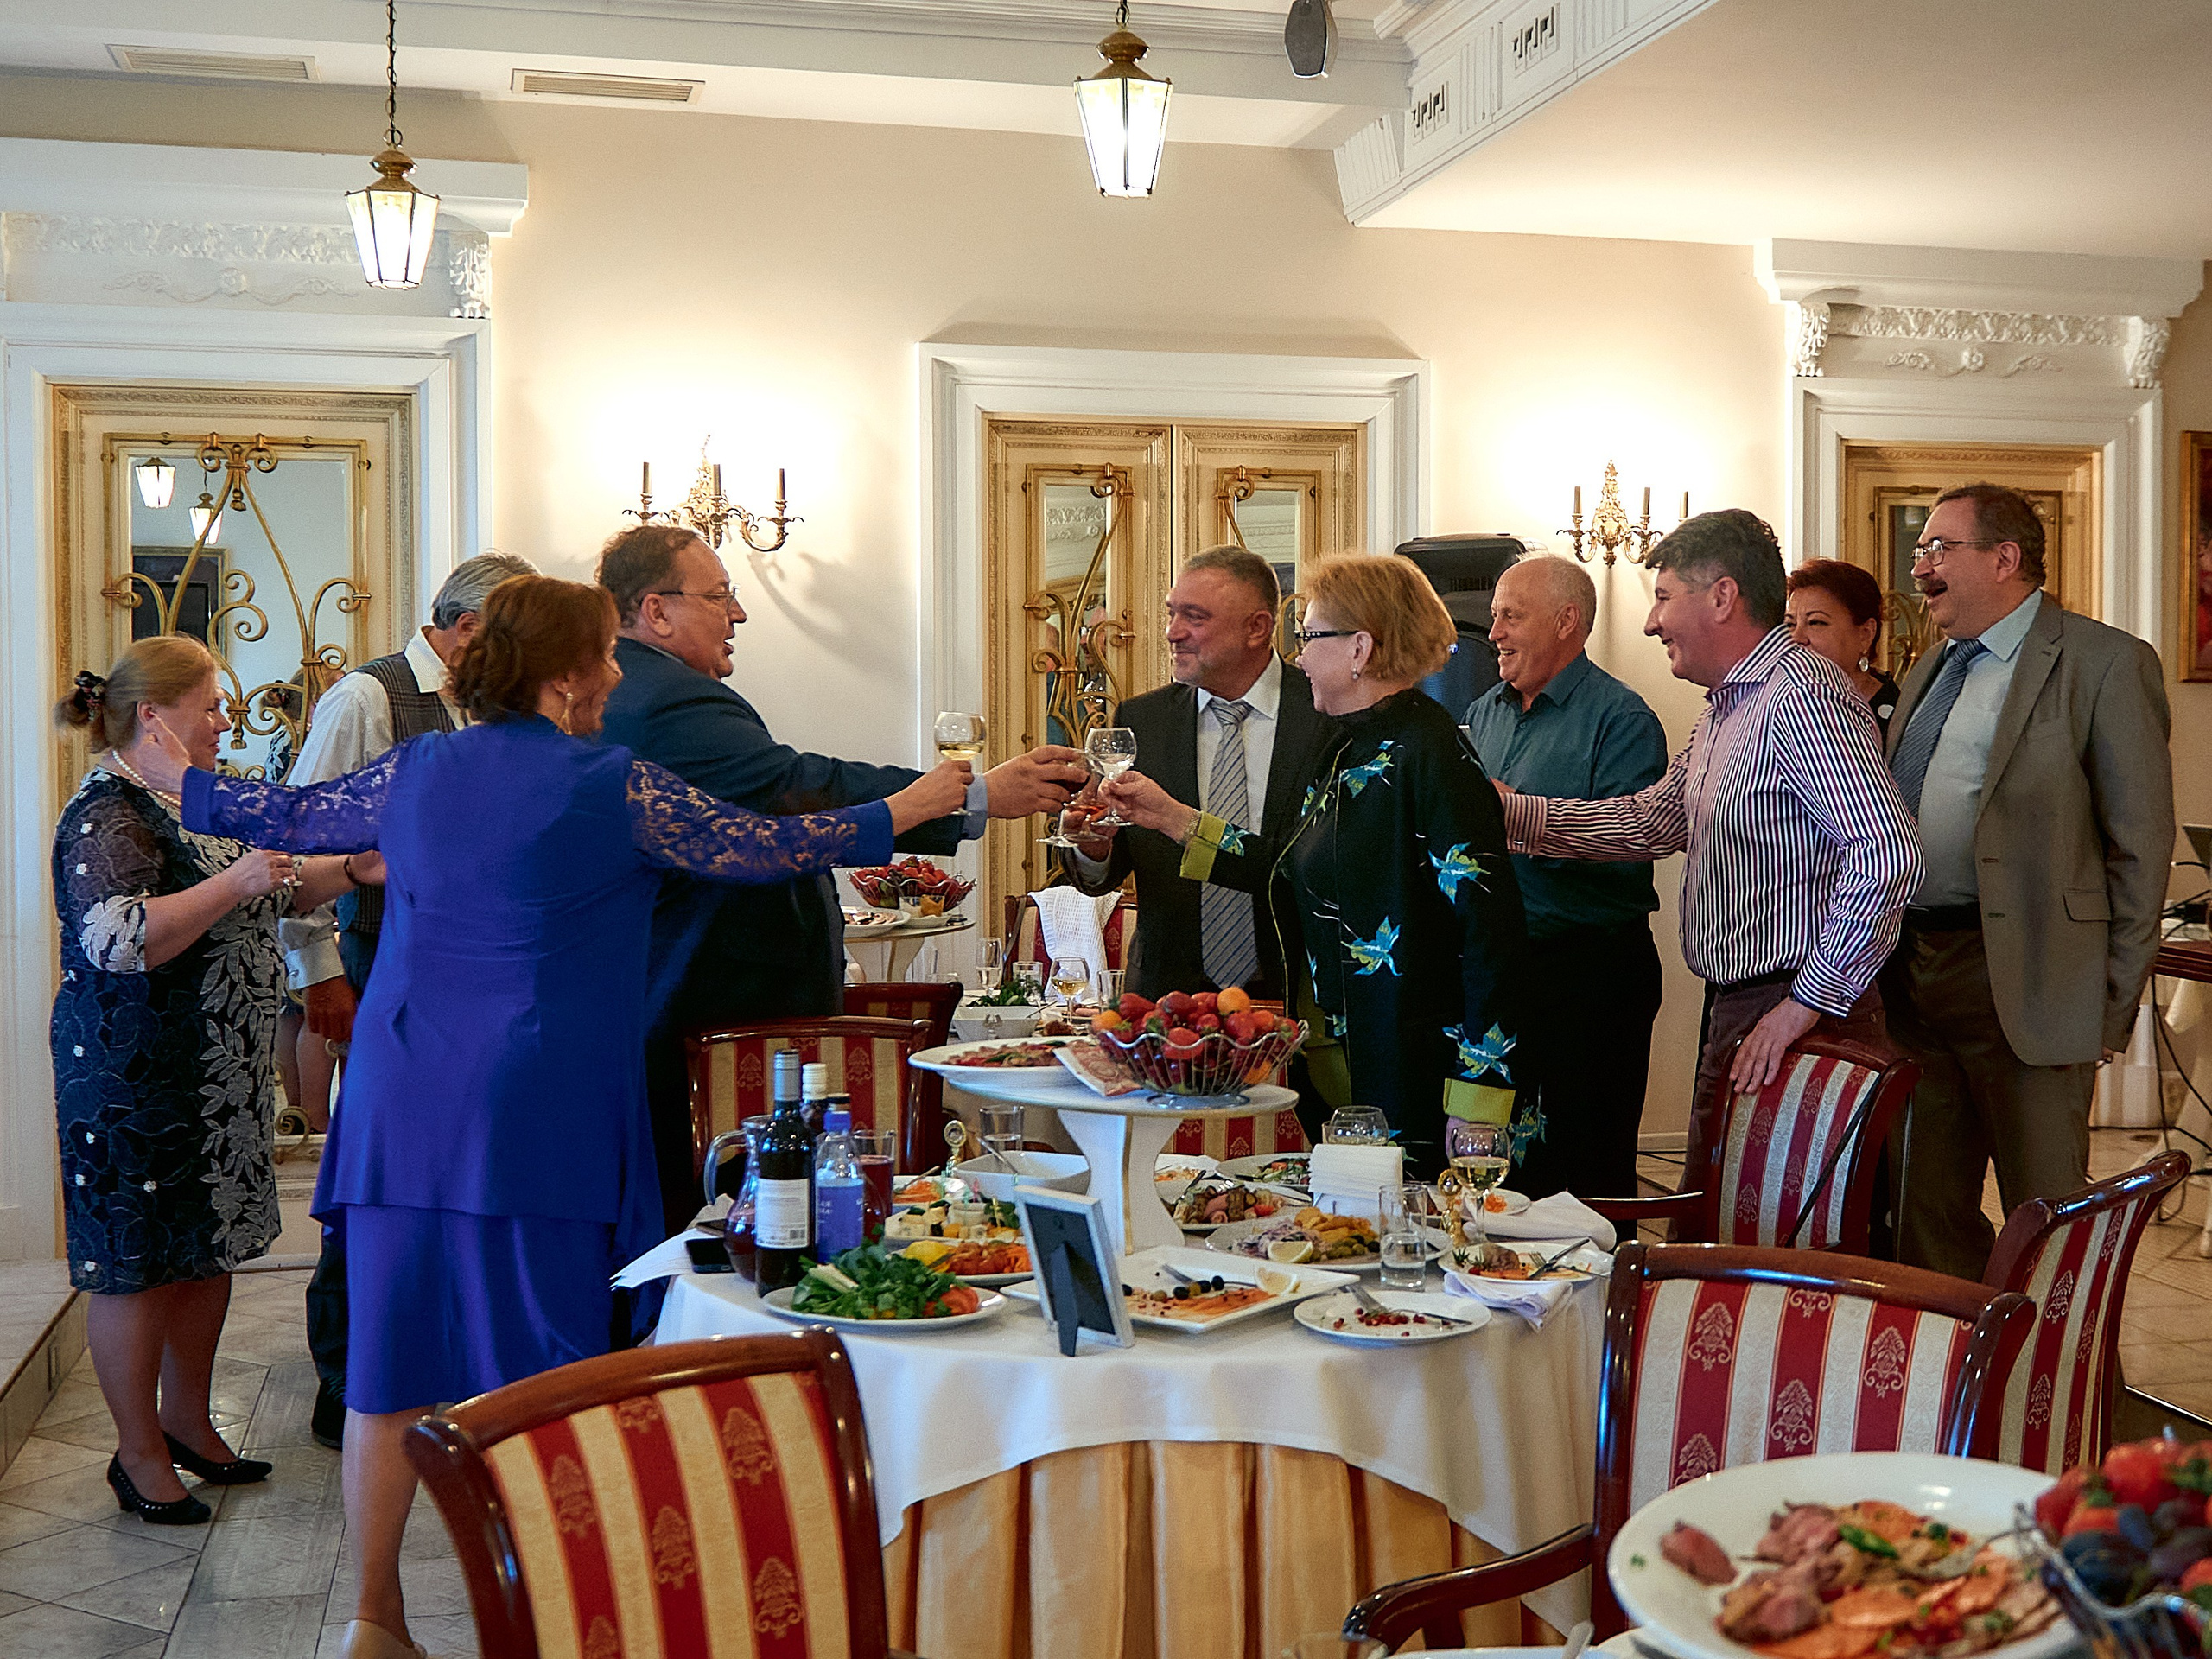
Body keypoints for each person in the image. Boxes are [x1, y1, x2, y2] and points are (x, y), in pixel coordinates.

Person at [134, 575, 969, 1659]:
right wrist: (904, 809)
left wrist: (180, 780)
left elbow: (288, 817)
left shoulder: (418, 768)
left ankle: (373, 1619)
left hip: (401, 1100)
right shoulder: (615, 785)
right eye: (607, 657)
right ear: (569, 674)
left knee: (391, 1368)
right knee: (546, 1373)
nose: (619, 672)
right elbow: (766, 847)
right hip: (539, 1102)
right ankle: (556, 1624)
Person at [592, 524, 1090, 1232]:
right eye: (720, 595)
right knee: (722, 1212)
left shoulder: (647, 688)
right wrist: (971, 794)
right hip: (706, 998)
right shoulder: (666, 698)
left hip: (689, 994)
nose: (738, 614)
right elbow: (792, 788)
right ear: (657, 609)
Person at [1491, 511, 1920, 1184]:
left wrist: (1805, 1005)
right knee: (1721, 1224)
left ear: (1722, 596)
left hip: (1792, 1018)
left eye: (1663, 597)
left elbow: (1888, 852)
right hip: (1742, 1005)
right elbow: (1653, 821)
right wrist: (1511, 813)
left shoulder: (1800, 697)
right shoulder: (1732, 704)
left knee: (1772, 1251)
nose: (1650, 623)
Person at [50, 637, 363, 1524]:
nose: (226, 719)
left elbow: (274, 885)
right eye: (213, 704)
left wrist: (353, 868)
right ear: (155, 715)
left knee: (207, 1249)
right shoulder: (107, 812)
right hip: (134, 1076)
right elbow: (117, 938)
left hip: (215, 1076)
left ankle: (189, 1421)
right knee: (139, 1266)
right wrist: (235, 883)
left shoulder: (194, 800)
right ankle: (138, 1451)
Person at [1104, 554, 1527, 1172]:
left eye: (1310, 636)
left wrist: (1480, 1098)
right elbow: (1282, 870)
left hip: (1420, 1068)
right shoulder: (1348, 746)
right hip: (1349, 1062)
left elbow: (1492, 933)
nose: (1298, 657)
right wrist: (1170, 816)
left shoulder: (1429, 751)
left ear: (1361, 648)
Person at [277, 550, 537, 1450]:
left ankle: (450, 1359)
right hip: (384, 962)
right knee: (373, 1182)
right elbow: (301, 841)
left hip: (479, 986)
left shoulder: (503, 707)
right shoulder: (369, 698)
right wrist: (321, 974)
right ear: (467, 629)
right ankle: (346, 1375)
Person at [1882, 482, 2173, 1281]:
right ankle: (1956, 1394)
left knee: (2045, 1224)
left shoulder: (2105, 663)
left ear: (2005, 559)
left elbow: (2139, 849)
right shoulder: (1930, 669)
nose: (1922, 567)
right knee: (1924, 1211)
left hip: (2032, 979)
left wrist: (2109, 1003)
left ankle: (2058, 1399)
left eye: (1941, 549)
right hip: (1915, 974)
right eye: (1920, 550)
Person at [1462, 556, 1668, 1199]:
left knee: (1585, 1167)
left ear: (1566, 621)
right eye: (1494, 616)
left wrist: (1519, 819)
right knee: (1501, 1166)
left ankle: (1601, 1296)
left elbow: (1630, 849)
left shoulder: (1623, 721)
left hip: (1591, 978)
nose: (1492, 633)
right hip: (1500, 974)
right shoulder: (1483, 712)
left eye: (1510, 616)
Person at [1058, 545, 1339, 1001]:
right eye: (1171, 614)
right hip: (1164, 1004)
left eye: (1195, 617)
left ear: (1257, 628)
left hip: (1298, 996)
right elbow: (1103, 875)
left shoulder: (1324, 716)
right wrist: (1093, 849)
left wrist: (1176, 818)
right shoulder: (1142, 721)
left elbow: (1322, 872)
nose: (1172, 632)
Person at [1786, 558, 1902, 739]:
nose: (1797, 638)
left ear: (1865, 633)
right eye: (1790, 624)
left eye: (1816, 622)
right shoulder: (1788, 703)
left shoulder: (1898, 721)